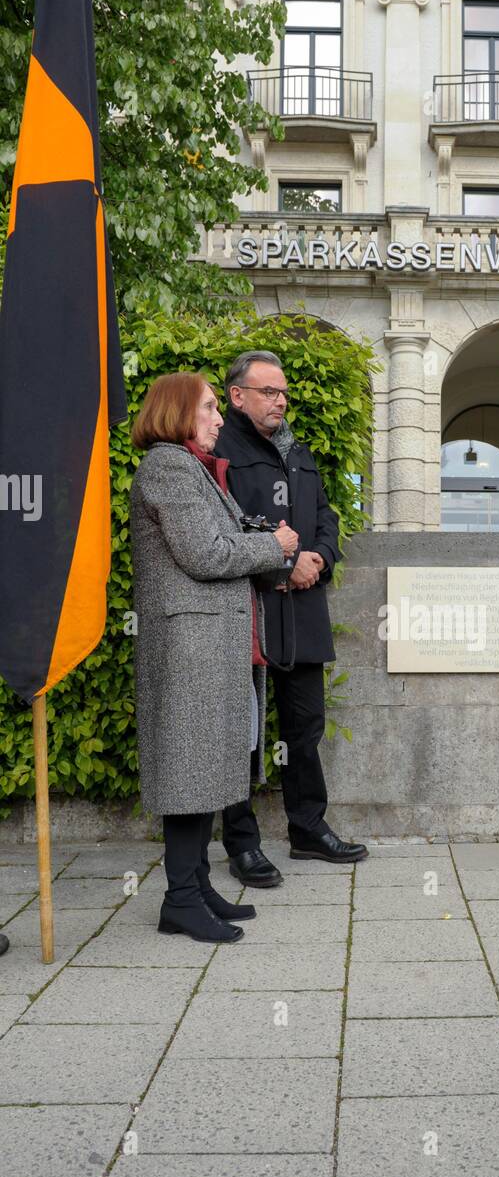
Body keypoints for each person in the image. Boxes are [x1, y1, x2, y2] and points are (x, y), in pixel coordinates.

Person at [129, 373, 299, 941]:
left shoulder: (192, 468)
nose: (219, 418)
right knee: (190, 770)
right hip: (191, 650)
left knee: (202, 769)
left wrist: (260, 547)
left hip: (210, 647)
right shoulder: (168, 467)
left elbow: (219, 546)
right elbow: (204, 553)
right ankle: (180, 899)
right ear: (178, 411)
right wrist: (273, 547)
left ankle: (195, 887)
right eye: (208, 408)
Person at [214, 350, 368, 880]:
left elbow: (325, 514)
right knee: (244, 730)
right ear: (238, 396)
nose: (280, 400)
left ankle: (308, 829)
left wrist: (319, 558)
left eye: (282, 393)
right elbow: (224, 530)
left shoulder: (296, 449)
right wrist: (284, 563)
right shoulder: (218, 451)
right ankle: (241, 843)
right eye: (268, 392)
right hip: (248, 613)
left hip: (302, 613)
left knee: (304, 726)